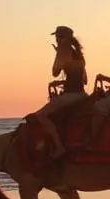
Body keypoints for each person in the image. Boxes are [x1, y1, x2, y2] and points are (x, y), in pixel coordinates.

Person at [34, 26, 88, 157]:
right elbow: (84, 80)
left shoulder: (63, 51)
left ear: (63, 38)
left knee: (40, 116)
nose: (56, 39)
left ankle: (59, 146)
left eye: (58, 37)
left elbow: (55, 72)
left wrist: (57, 54)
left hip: (71, 95)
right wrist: (62, 82)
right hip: (81, 94)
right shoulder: (78, 53)